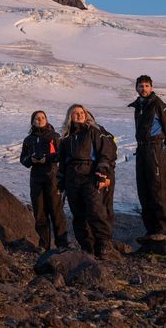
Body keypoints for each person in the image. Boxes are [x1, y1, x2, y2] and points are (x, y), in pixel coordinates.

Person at [56, 104, 117, 258]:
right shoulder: (66, 138)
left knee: (95, 210)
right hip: (72, 177)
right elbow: (62, 162)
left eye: (82, 112)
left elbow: (104, 152)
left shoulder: (93, 131)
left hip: (89, 174)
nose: (79, 115)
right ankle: (87, 247)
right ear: (70, 117)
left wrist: (102, 173)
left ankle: (103, 244)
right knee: (78, 214)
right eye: (76, 113)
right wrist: (60, 181)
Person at [128, 75, 166, 243]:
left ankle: (163, 230)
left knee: (157, 188)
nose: (144, 89)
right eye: (141, 86)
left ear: (151, 87)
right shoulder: (139, 106)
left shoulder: (159, 105)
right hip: (142, 149)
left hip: (155, 149)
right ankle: (151, 230)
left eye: (146, 86)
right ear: (136, 88)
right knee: (144, 189)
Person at [20, 110, 68, 250]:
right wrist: (31, 160)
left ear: (46, 119)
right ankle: (44, 245)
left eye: (42, 117)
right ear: (32, 121)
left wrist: (47, 159)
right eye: (37, 118)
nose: (40, 120)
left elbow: (61, 155)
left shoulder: (54, 136)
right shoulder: (28, 140)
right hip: (36, 178)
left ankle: (62, 244)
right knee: (39, 212)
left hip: (52, 176)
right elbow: (23, 159)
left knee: (56, 211)